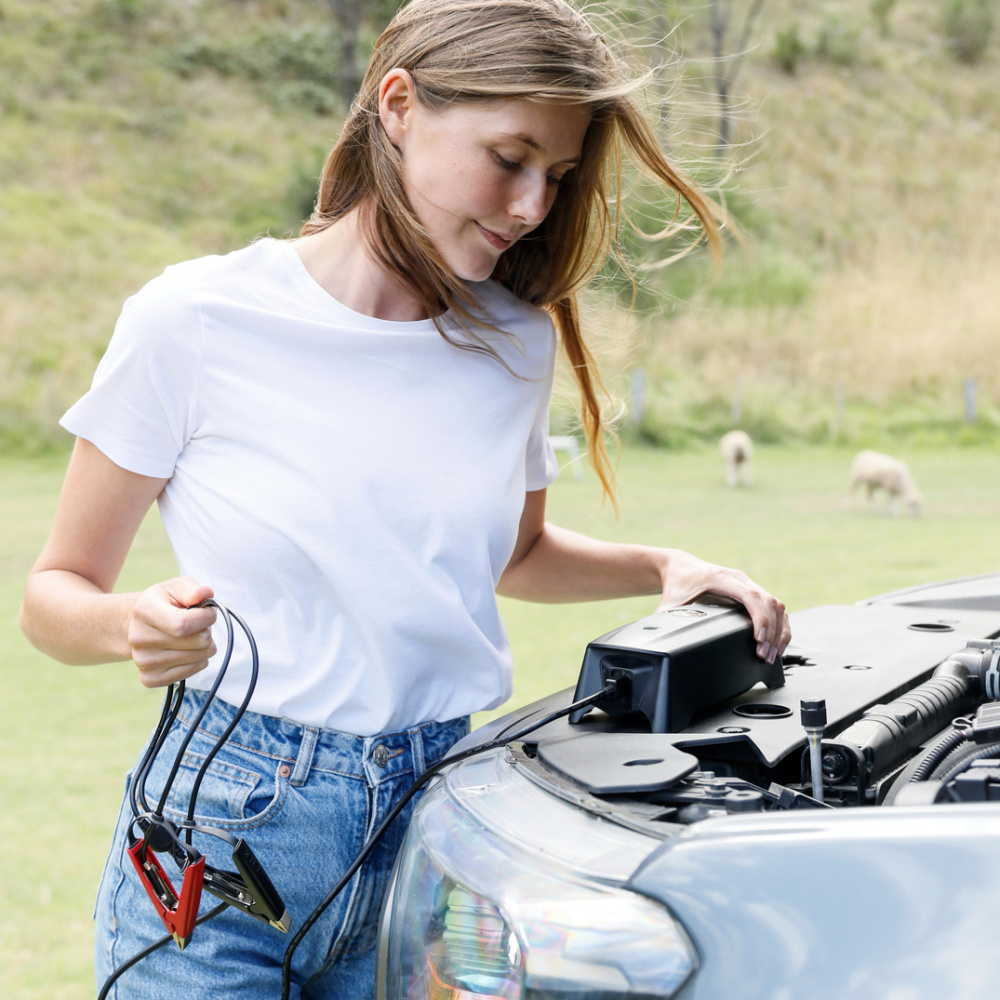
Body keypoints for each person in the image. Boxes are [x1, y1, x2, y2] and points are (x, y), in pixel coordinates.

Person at [20, 1, 790, 997]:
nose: (531, 206)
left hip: (443, 826)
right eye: (509, 158)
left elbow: (512, 556)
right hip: (221, 848)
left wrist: (663, 567)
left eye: (557, 176)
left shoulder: (514, 341)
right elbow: (53, 593)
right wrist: (130, 623)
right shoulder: (197, 319)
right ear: (398, 106)